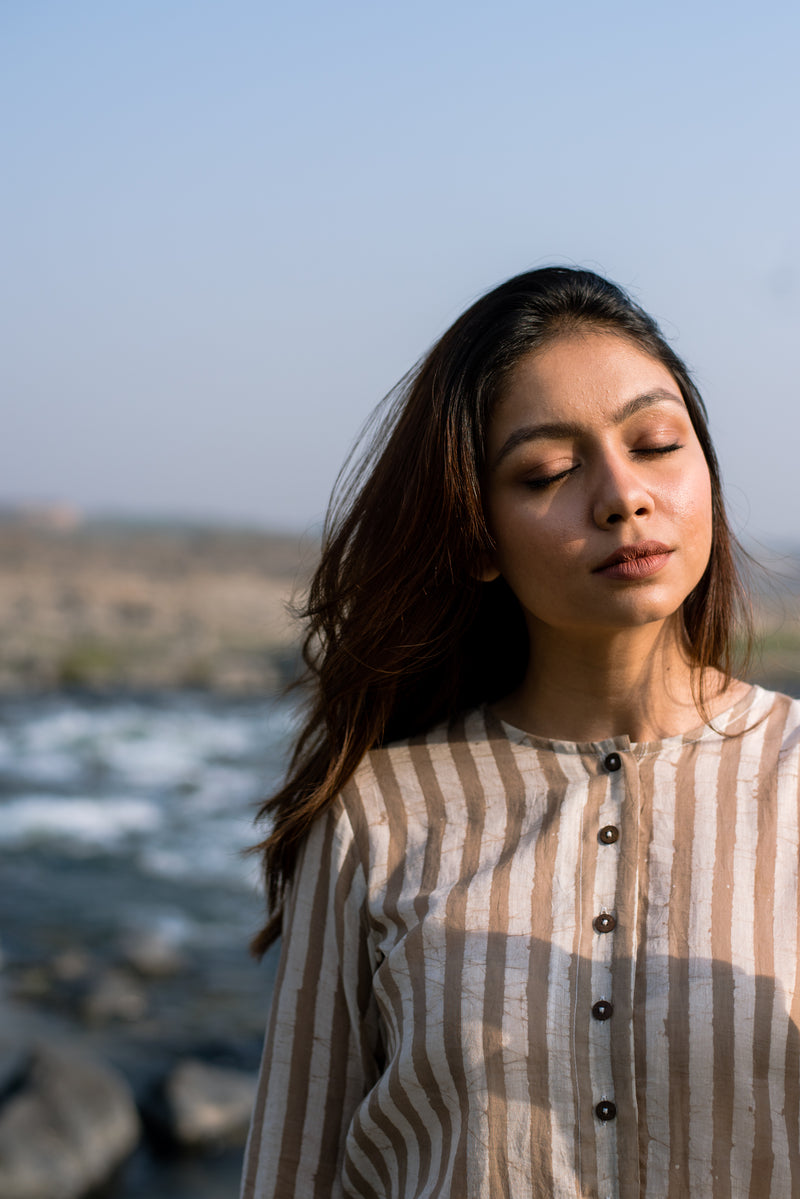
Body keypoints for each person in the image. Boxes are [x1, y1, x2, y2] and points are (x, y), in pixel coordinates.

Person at [240, 267, 800, 1198]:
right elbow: (291, 1172)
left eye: (657, 442)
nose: (623, 494)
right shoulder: (377, 814)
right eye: (548, 470)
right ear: (477, 537)